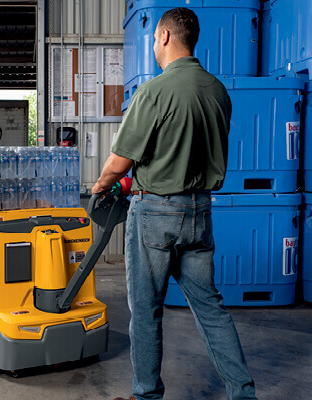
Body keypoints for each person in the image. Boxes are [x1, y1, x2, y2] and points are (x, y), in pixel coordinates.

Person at [91, 8, 257, 400]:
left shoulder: (154, 91)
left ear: (164, 36)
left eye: (152, 38)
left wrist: (99, 188)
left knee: (146, 311)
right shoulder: (217, 90)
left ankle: (147, 394)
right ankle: (243, 393)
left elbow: (119, 163)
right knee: (210, 308)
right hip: (200, 212)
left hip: (155, 215)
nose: (152, 45)